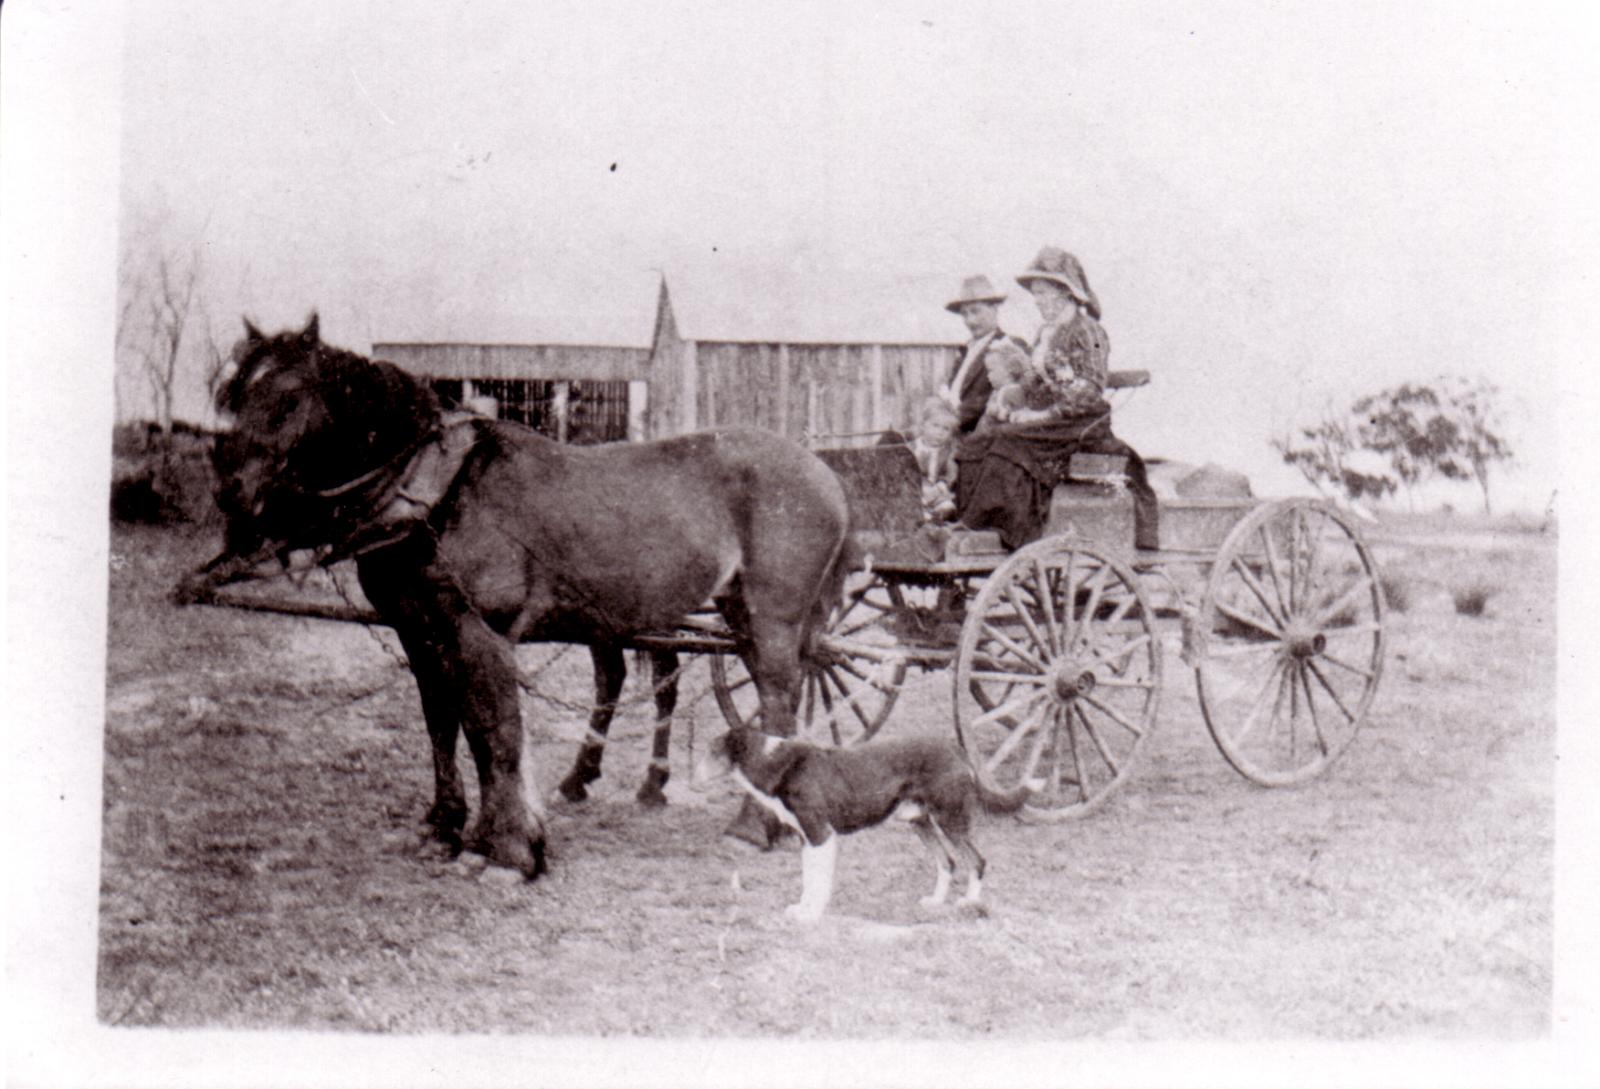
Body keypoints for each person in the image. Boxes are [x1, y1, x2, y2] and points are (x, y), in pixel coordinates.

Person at [955, 246, 1159, 550]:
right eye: (1035, 293)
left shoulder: (1089, 332)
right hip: (1053, 422)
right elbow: (1032, 382)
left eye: (1042, 293)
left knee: (1010, 442)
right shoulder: (1045, 334)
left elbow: (1089, 390)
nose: (1037, 301)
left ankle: (1011, 531)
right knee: (978, 441)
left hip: (1080, 425)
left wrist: (1040, 416)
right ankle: (972, 521)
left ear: (1065, 293)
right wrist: (1010, 400)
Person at [941, 276, 1031, 435]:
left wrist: (946, 423)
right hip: (948, 429)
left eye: (976, 311)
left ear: (994, 308)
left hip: (978, 435)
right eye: (965, 314)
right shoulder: (965, 350)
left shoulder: (1007, 346)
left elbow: (990, 401)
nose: (970, 320)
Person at [909, 397, 960, 523]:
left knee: (948, 506)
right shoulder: (912, 448)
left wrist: (939, 487)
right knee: (909, 503)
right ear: (923, 425)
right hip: (914, 489)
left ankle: (934, 517)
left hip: (936, 490)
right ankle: (920, 515)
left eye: (945, 429)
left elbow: (950, 475)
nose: (939, 432)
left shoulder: (948, 452)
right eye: (935, 426)